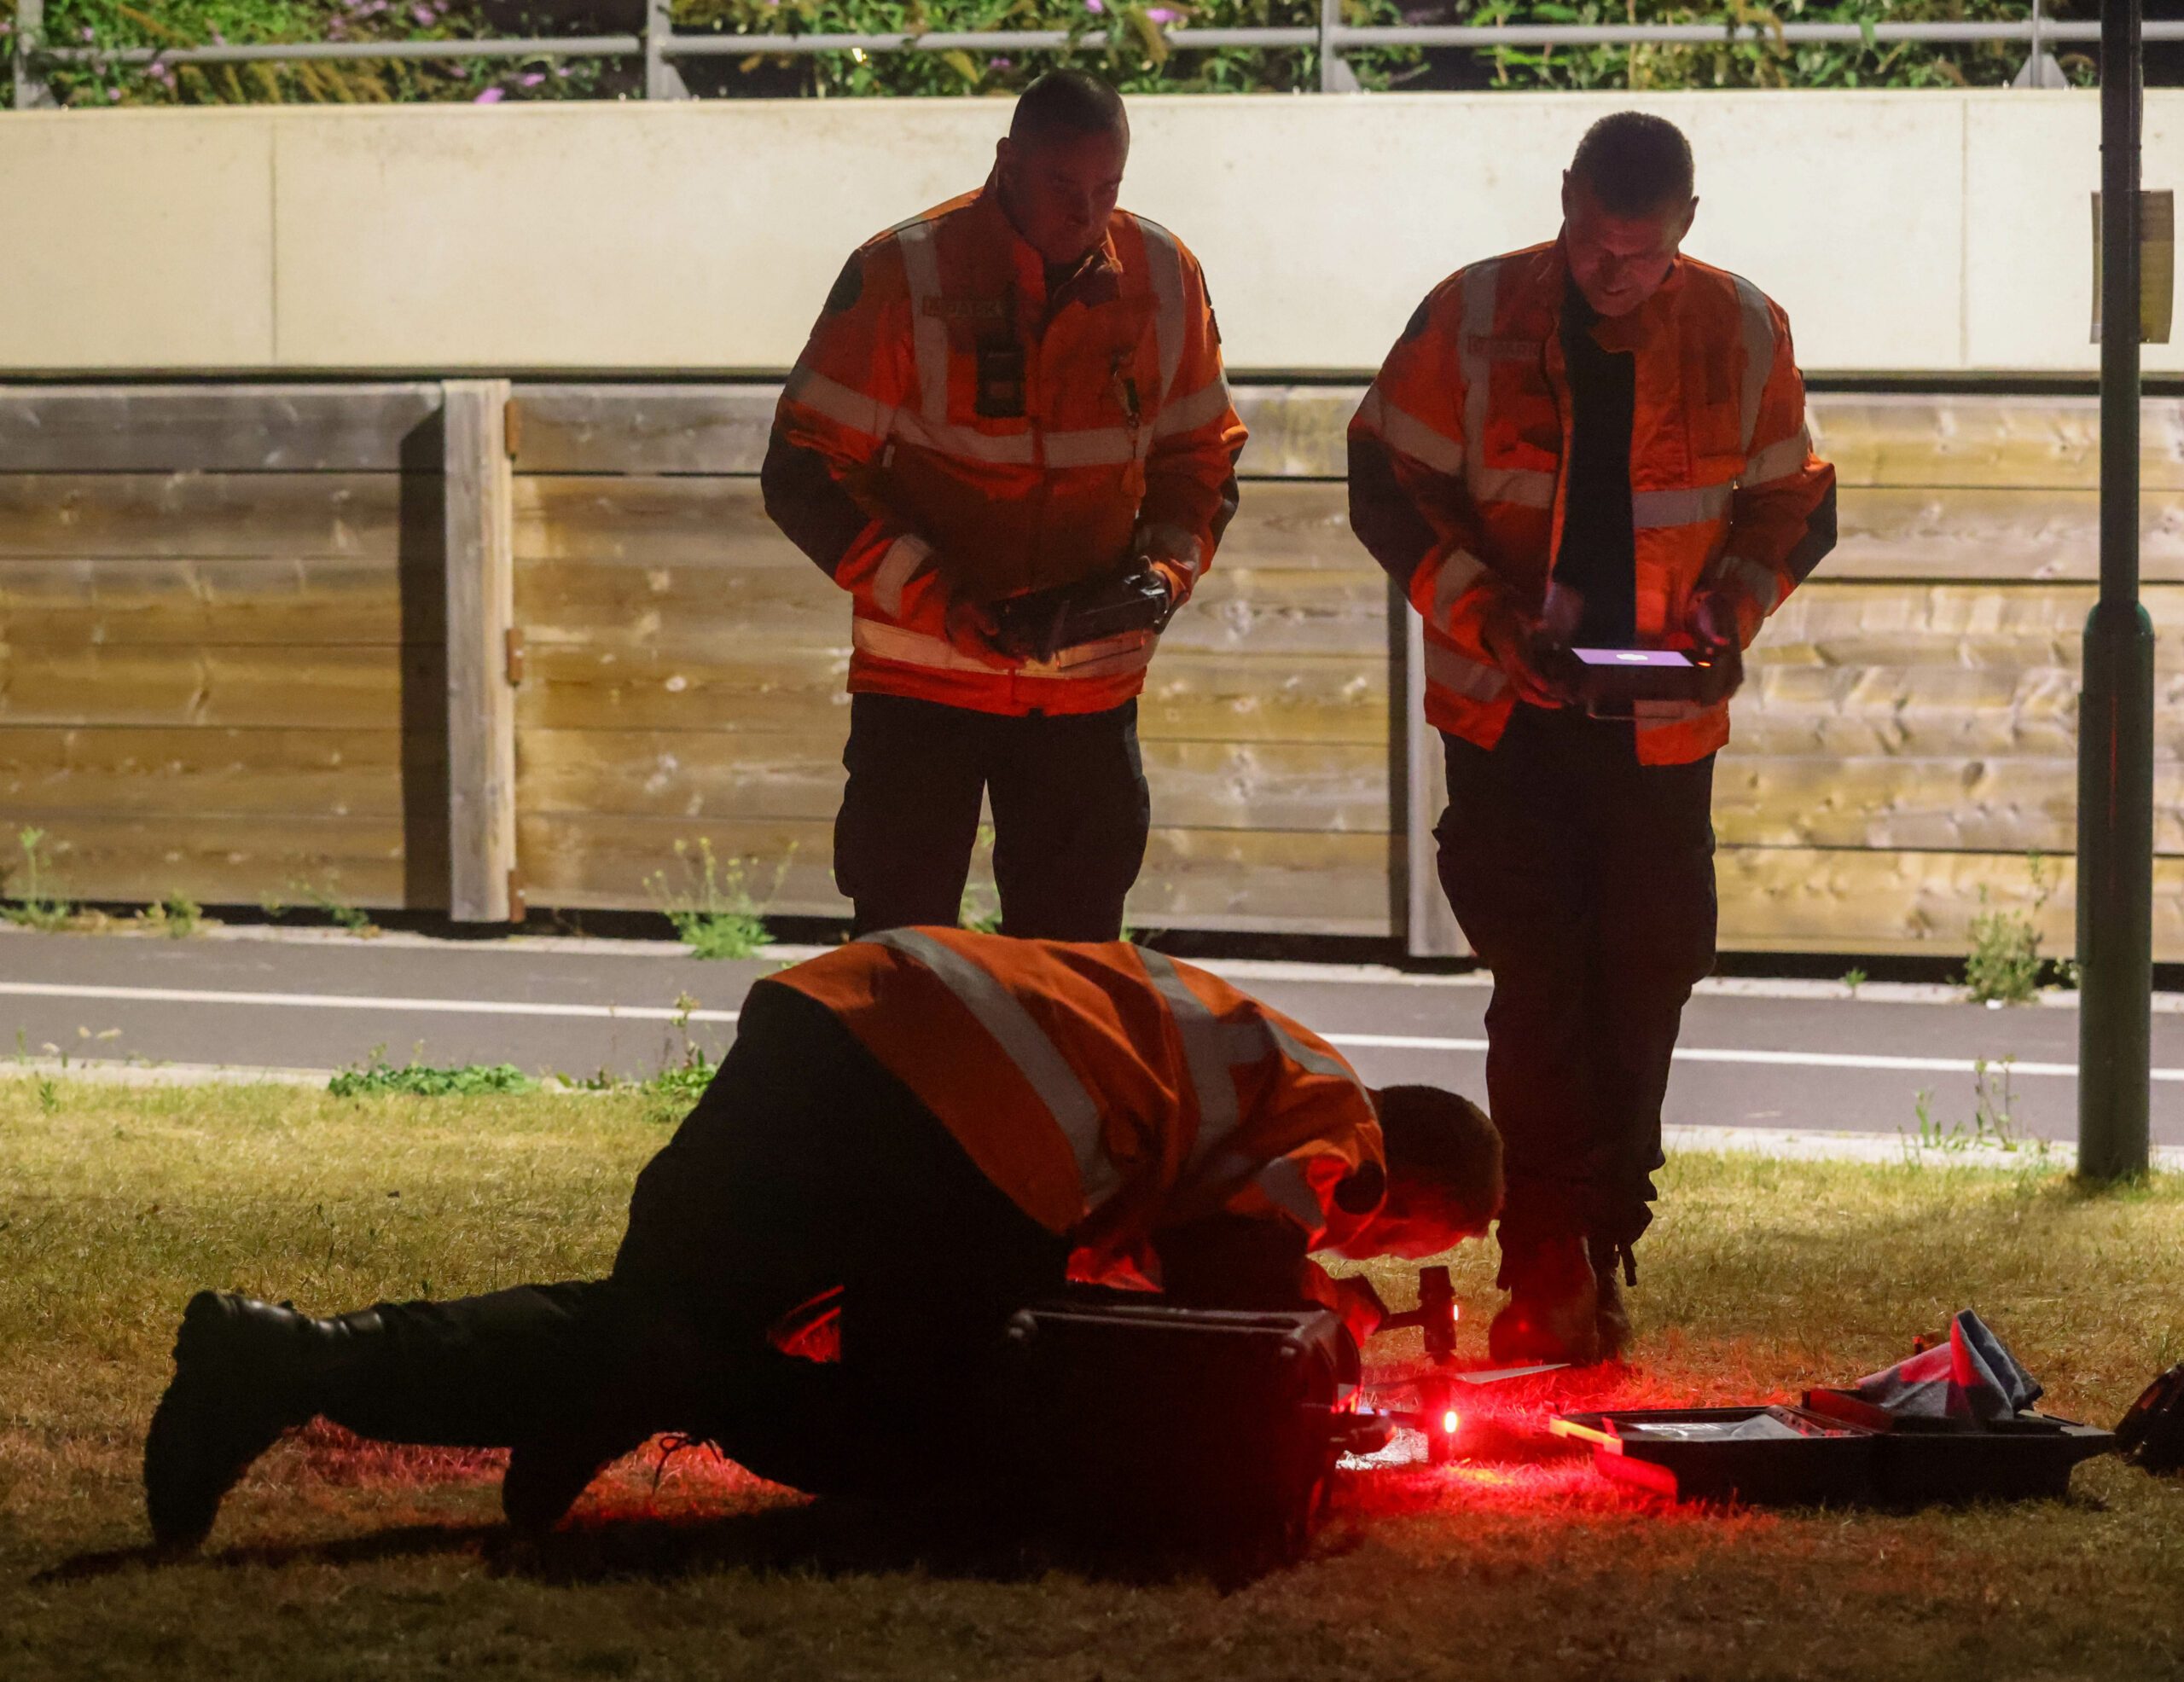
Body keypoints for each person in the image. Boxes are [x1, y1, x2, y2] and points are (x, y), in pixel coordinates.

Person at [143, 930, 1502, 1549]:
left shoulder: (1239, 1050)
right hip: (976, 1119)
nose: (1380, 1255)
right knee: (942, 1436)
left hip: (841, 1019)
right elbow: (1232, 1302)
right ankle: (674, 1381)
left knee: (646, 1316)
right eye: (1412, 1245)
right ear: (1413, 1190)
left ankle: (294, 1357)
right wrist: (1328, 1335)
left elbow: (1160, 1229)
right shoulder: (1340, 1119)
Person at [1346, 112, 1836, 1366]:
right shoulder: (1472, 315)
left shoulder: (1742, 328)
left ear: (1686, 225)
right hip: (1510, 718)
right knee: (1542, 987)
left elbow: (1794, 503)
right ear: (1565, 200)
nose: (1610, 273)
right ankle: (1546, 1256)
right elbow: (1386, 481)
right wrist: (1492, 619)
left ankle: (1599, 1233)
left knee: (1644, 980)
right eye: (1591, 245)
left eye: (1639, 253)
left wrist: (1730, 610)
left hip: (1660, 728)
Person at [762, 69, 1246, 943]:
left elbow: (1202, 460)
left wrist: (1161, 579)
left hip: (1085, 693)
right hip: (922, 686)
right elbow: (803, 468)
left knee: (1072, 966)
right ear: (1007, 164)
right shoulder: (904, 272)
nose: (1085, 214)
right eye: (1063, 187)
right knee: (904, 959)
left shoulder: (1165, 275)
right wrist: (942, 604)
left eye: (1106, 189)